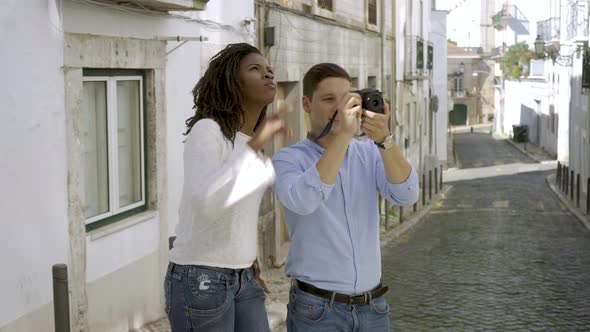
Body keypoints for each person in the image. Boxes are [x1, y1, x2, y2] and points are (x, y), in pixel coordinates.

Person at [272, 63, 420, 331]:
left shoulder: (369, 153)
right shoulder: (288, 159)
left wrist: (385, 139)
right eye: (329, 100)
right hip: (316, 311)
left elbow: (407, 195)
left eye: (346, 100)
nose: (340, 109)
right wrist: (343, 136)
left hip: (373, 308)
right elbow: (304, 201)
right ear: (306, 104)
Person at [165, 43, 287, 332]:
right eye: (255, 69)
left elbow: (238, 210)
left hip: (243, 277)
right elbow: (207, 203)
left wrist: (247, 257)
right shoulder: (208, 131)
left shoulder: (248, 142)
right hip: (201, 278)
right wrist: (259, 142)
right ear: (232, 82)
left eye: (268, 68)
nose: (268, 73)